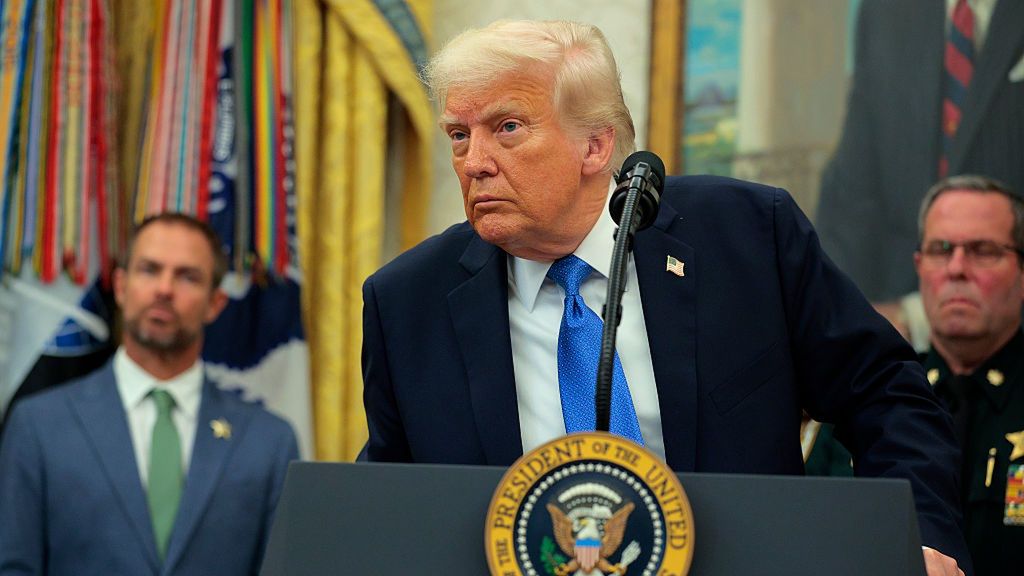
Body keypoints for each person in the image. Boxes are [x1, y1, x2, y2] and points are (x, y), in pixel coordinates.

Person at [361, 20, 968, 575]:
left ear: (595, 146)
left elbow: (886, 393)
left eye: (507, 128)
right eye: (459, 135)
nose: (474, 163)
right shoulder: (408, 303)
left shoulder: (746, 237)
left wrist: (918, 540)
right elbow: (384, 506)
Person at [0, 213, 299, 575]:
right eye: (149, 270)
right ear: (120, 286)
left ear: (216, 303)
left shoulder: (268, 442)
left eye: (187, 276)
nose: (164, 289)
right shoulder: (40, 427)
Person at [816, 0, 1024, 339]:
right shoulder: (886, 11)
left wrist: (916, 319)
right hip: (890, 324)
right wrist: (838, 314)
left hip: (1006, 331)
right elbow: (852, 192)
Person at [914, 175, 1024, 575]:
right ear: (919, 266)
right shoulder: (872, 399)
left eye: (983, 250)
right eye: (941, 250)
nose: (957, 268)